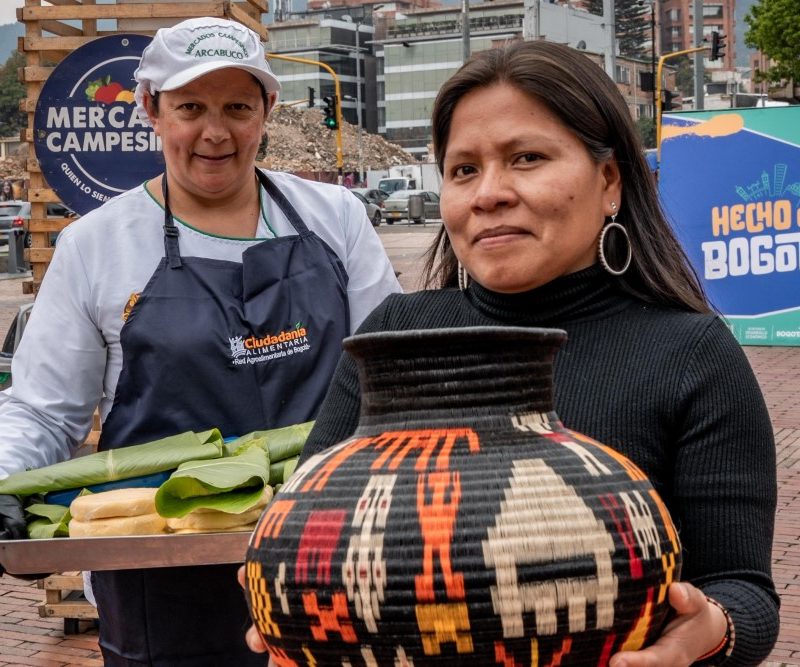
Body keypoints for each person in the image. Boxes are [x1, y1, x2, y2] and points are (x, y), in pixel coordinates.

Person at [268, 41, 779, 665]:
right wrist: (280, 596)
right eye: (463, 170)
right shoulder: (395, 337)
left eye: (527, 158)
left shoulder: (691, 353)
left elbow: (744, 592)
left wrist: (711, 629)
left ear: (610, 180)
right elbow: (303, 528)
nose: (489, 194)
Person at [0, 17, 400, 666]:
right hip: (162, 582)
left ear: (267, 110)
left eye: (237, 107)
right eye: (190, 107)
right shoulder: (97, 245)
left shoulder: (337, 220)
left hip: (330, 557)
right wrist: (3, 482)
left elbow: (389, 378)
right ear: (150, 109)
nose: (215, 132)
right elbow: (44, 408)